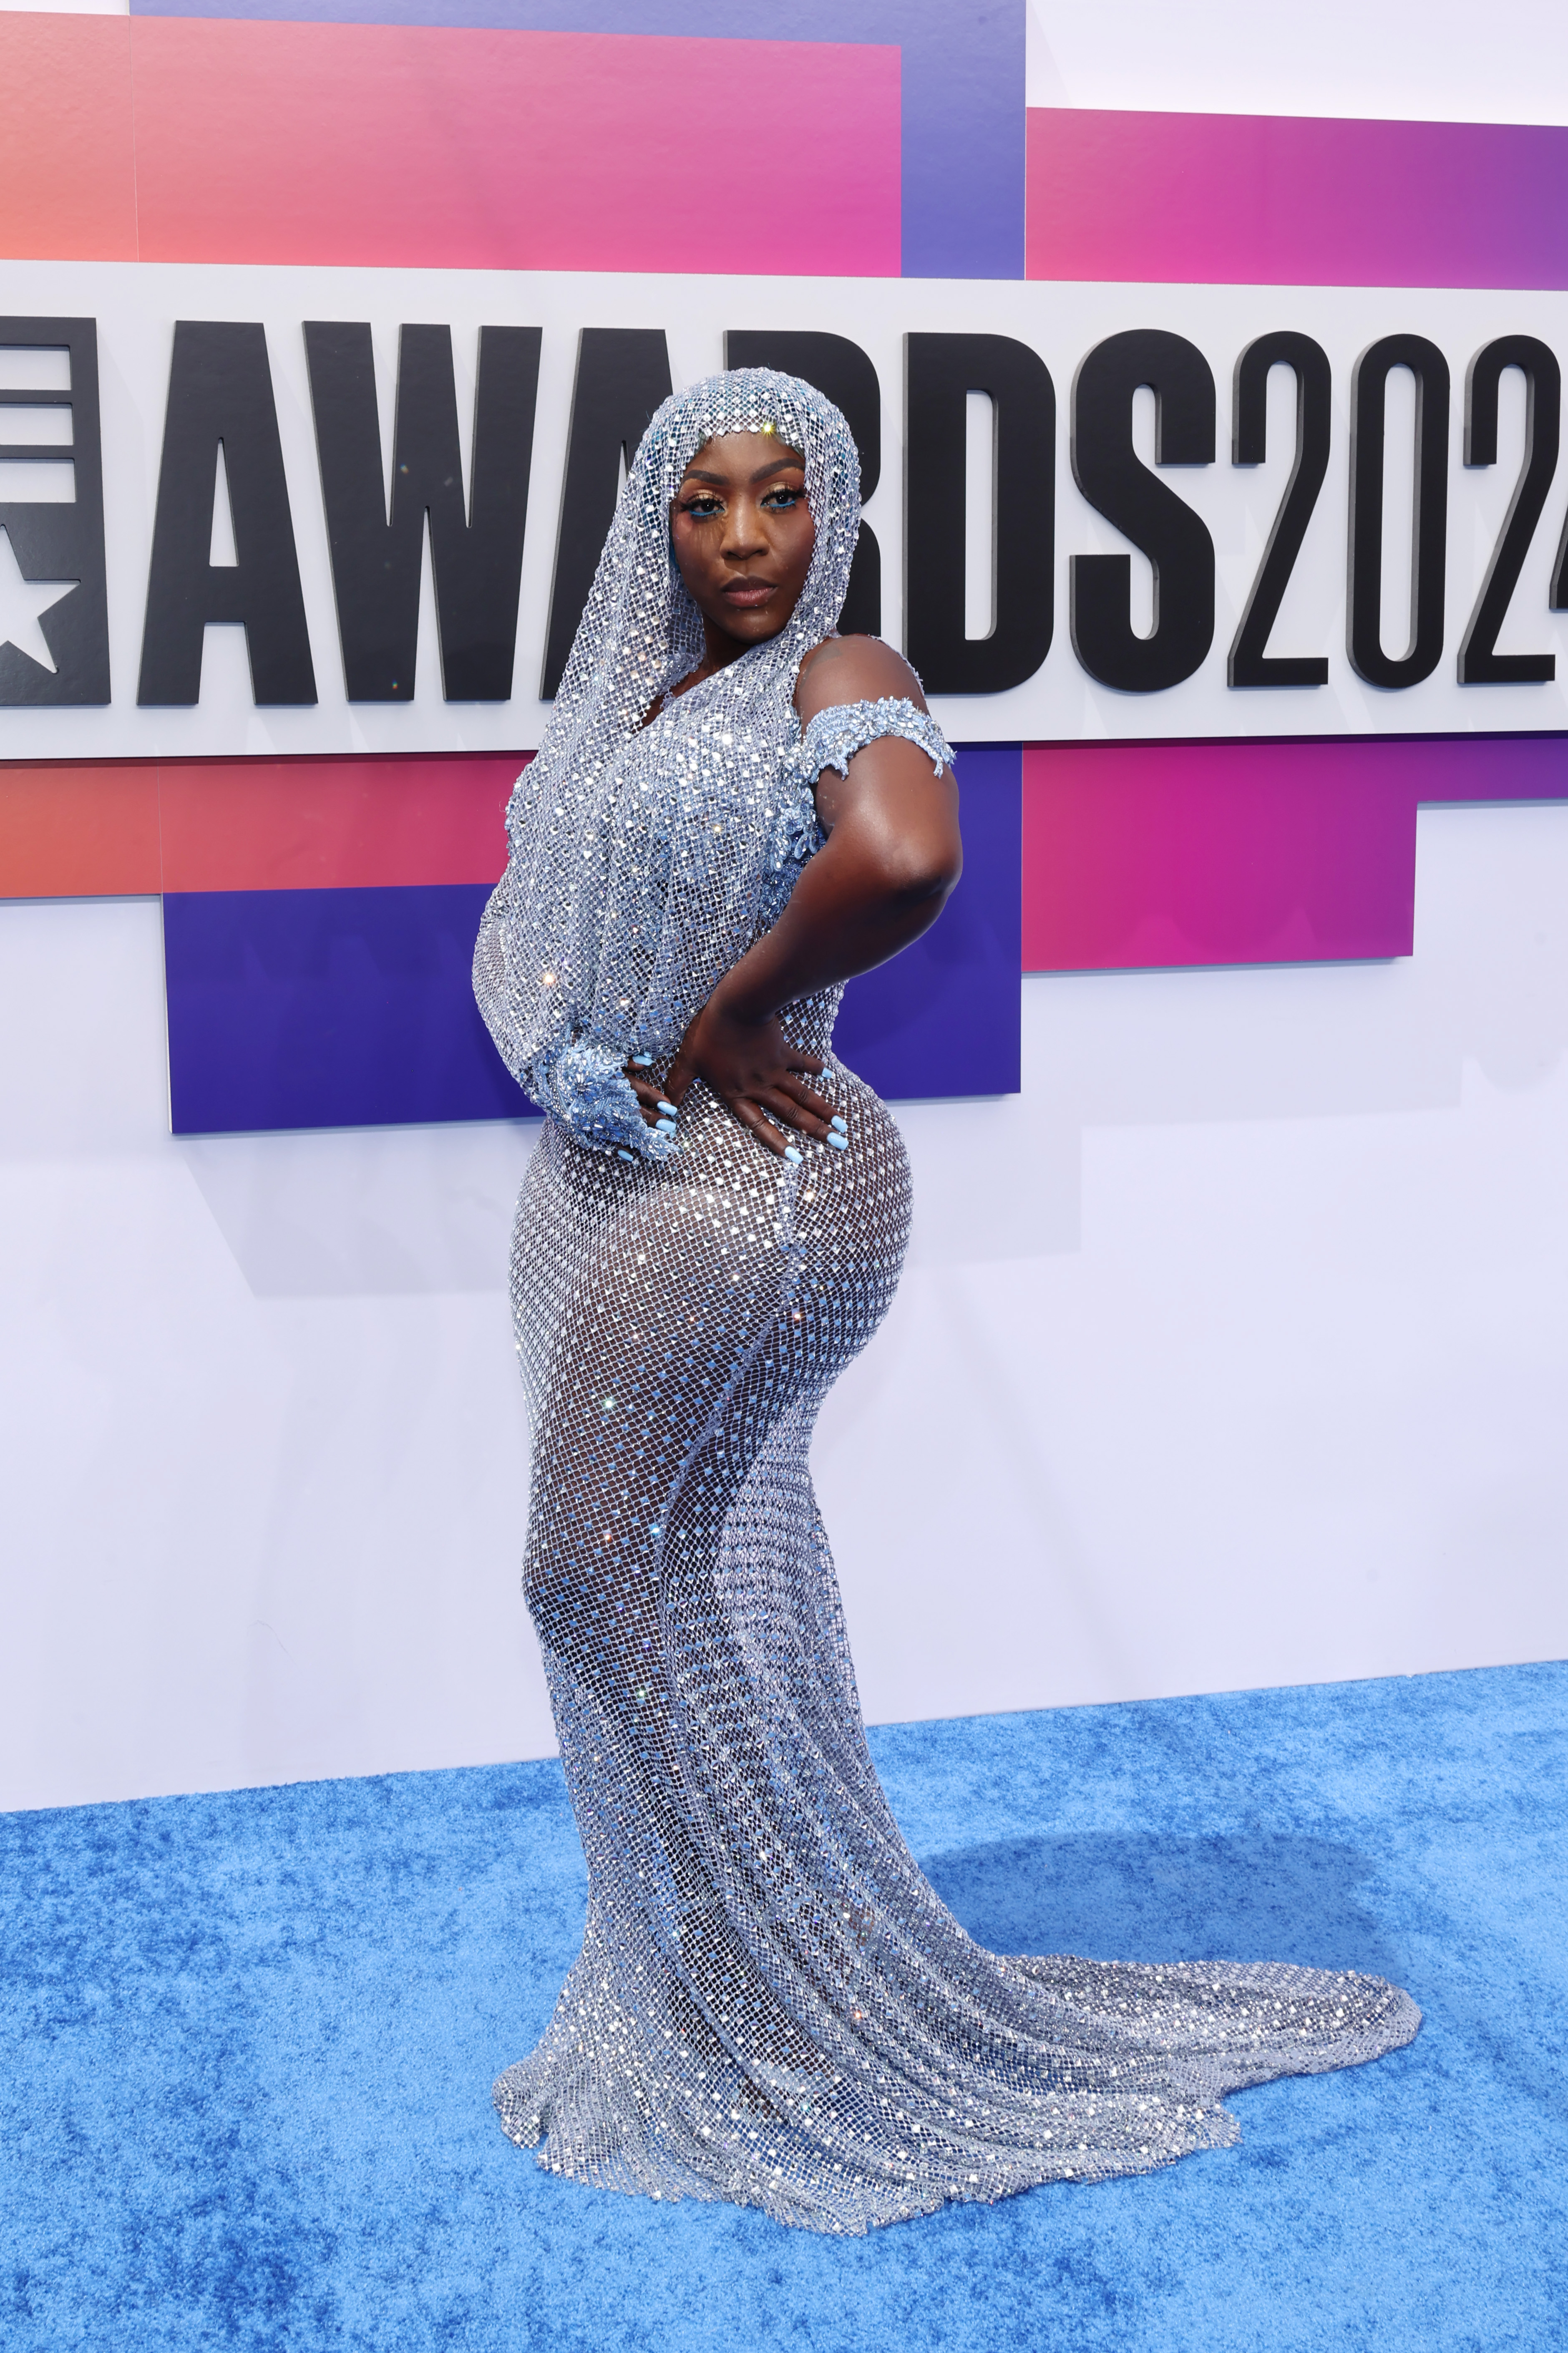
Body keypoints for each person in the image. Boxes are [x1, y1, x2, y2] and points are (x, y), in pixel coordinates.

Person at [473, 369, 1418, 2236]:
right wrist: (601, 1059)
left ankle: (769, 1996)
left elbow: (905, 854)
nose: (745, 539)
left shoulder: (840, 674)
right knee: (678, 1565)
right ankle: (718, 1971)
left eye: (784, 497)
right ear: (652, 522)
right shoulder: (636, 698)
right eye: (703, 502)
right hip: (599, 1176)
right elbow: (544, 940)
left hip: (754, 1178)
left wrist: (729, 1017)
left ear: (837, 511)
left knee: (586, 1570)